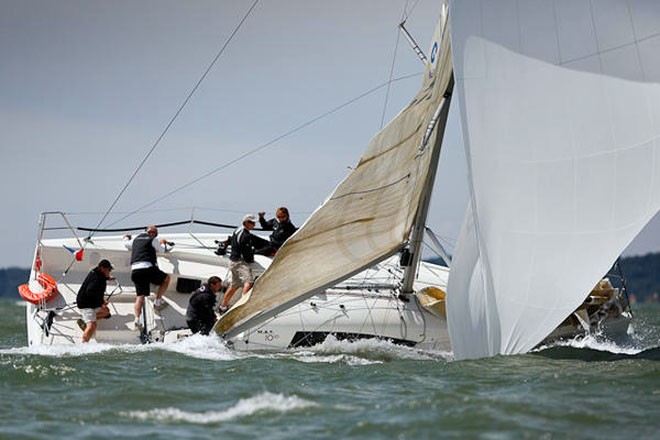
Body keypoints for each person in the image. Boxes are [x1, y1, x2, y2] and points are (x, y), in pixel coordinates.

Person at [123, 225, 171, 330]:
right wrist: (163, 243)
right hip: (147, 268)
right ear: (152, 233)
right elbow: (162, 250)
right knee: (166, 278)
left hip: (135, 270)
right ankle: (157, 302)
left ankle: (137, 320)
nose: (155, 235)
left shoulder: (135, 239)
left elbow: (126, 244)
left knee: (140, 296)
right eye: (155, 233)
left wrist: (126, 237)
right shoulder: (152, 240)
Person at [219, 214, 257, 313]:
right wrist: (251, 259)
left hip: (232, 261)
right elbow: (247, 252)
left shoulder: (237, 230)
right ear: (246, 223)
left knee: (234, 285)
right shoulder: (246, 235)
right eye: (252, 223)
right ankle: (243, 307)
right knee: (249, 282)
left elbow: (233, 242)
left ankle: (222, 307)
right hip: (240, 263)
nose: (254, 225)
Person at [76, 259, 114, 343]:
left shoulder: (97, 272)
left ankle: (84, 320)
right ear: (102, 268)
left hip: (91, 303)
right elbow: (90, 292)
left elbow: (100, 277)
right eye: (109, 270)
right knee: (92, 326)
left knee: (106, 312)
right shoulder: (97, 279)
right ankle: (84, 344)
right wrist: (102, 302)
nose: (110, 271)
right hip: (86, 304)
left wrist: (107, 278)